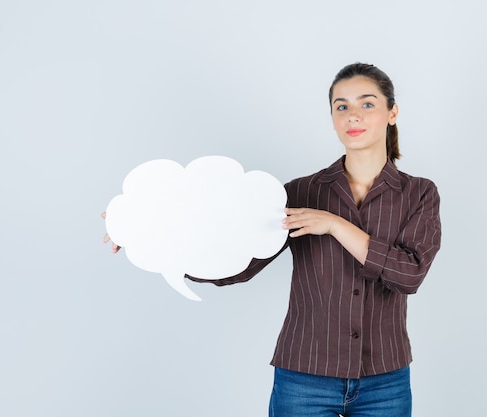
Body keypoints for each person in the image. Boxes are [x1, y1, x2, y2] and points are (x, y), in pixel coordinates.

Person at [105, 62, 441, 417]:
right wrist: (149, 233)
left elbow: (408, 275)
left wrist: (336, 225)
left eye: (367, 104)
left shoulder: (418, 194)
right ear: (331, 116)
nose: (353, 115)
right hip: (304, 378)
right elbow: (240, 265)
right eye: (341, 106)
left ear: (392, 112)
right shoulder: (299, 192)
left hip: (385, 380)